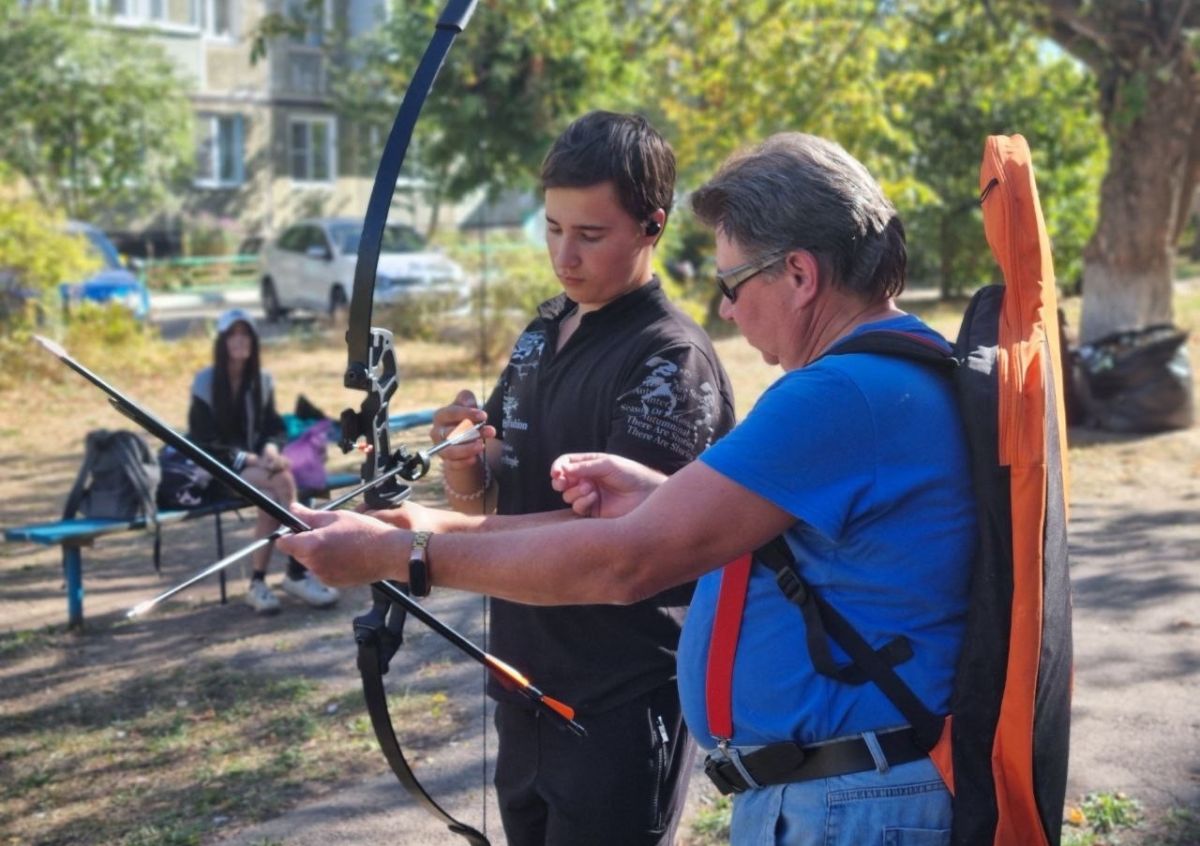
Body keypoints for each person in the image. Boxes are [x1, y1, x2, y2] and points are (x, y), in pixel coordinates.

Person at [279, 132, 977, 845]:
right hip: (844, 792)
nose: (728, 311)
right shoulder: (880, 378)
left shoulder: (840, 394)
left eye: (731, 284)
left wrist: (405, 557)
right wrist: (420, 526)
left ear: (798, 275)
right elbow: (673, 534)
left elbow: (626, 561)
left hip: (851, 802)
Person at [403, 110, 735, 846]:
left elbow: (631, 550)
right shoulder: (542, 330)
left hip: (617, 701)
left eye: (590, 235)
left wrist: (427, 543)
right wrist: (464, 461)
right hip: (523, 682)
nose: (565, 255)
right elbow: (491, 489)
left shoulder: (670, 360)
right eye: (552, 228)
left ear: (653, 227)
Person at [189, 308, 339, 614]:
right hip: (215, 471)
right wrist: (254, 458)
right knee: (283, 481)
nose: (240, 340)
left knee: (272, 496)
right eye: (233, 334)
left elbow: (272, 428)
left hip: (256, 470)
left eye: (246, 334)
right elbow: (203, 442)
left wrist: (271, 452)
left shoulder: (262, 380)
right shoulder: (205, 382)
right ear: (222, 341)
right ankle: (297, 572)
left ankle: (258, 583)